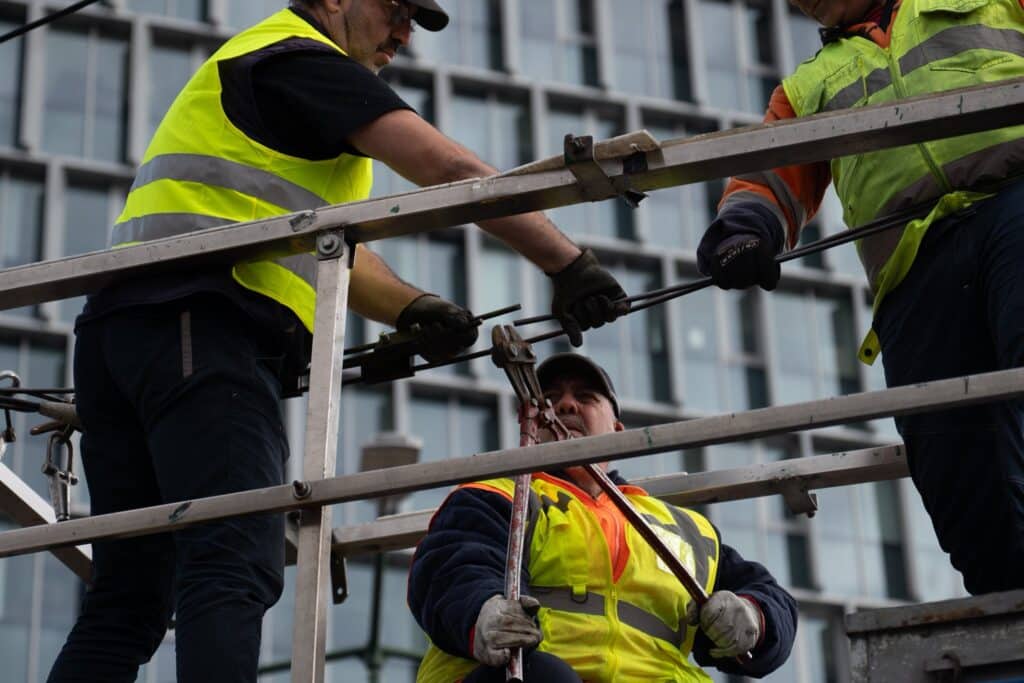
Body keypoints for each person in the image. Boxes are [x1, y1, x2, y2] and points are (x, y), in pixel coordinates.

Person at [47, 2, 630, 681]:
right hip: (203, 325)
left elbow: (312, 239)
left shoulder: (269, 77)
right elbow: (448, 170)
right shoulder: (301, 59)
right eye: (395, 8)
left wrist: (413, 307)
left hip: (127, 334)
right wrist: (568, 262)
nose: (404, 33)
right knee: (234, 556)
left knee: (130, 598)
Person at [695, 0, 1024, 595]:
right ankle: (1006, 607)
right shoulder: (806, 87)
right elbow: (767, 177)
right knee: (952, 461)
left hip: (1015, 200)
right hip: (914, 267)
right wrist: (743, 231)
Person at [408, 353, 797, 682]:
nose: (565, 406)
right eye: (549, 399)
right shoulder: (499, 498)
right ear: (528, 426)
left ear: (617, 430)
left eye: (585, 397)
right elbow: (457, 568)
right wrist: (481, 610)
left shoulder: (685, 530)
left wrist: (756, 615)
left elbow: (768, 594)